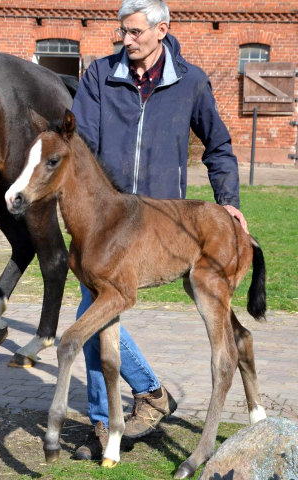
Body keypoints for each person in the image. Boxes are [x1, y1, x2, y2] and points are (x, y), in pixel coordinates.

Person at [71, 0, 249, 461]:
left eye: (133, 32)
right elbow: (82, 147)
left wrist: (228, 203)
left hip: (159, 221)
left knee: (93, 313)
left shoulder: (189, 81)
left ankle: (140, 400)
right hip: (107, 220)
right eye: (122, 32)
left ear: (161, 30)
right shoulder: (99, 76)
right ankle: (111, 417)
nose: (125, 41)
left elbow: (219, 144)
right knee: (93, 308)